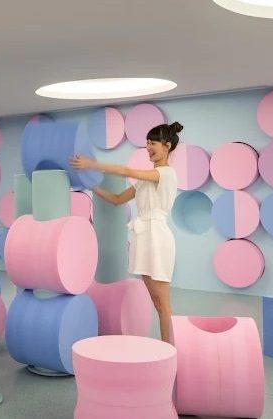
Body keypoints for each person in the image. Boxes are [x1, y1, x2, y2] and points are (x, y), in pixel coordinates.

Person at [70, 122, 182, 343]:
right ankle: (167, 346)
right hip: (143, 237)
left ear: (167, 146)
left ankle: (171, 348)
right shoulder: (146, 180)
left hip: (157, 238)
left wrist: (91, 165)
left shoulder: (166, 173)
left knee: (163, 304)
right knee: (157, 302)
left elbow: (127, 171)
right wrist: (92, 187)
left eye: (153, 143)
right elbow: (117, 199)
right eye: (147, 143)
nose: (148, 147)